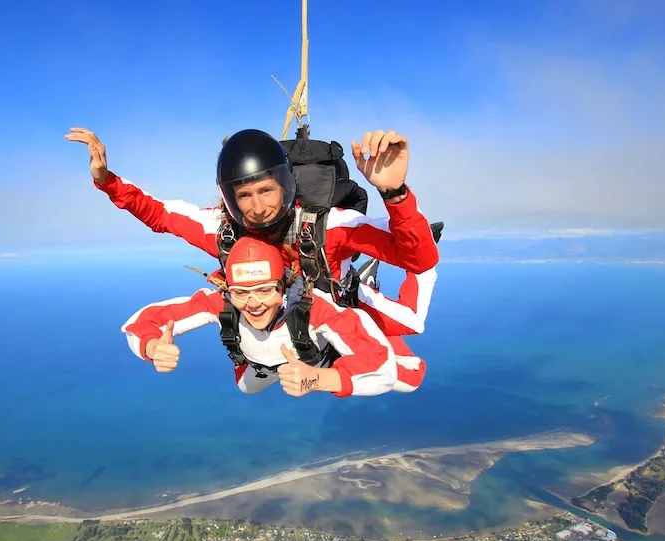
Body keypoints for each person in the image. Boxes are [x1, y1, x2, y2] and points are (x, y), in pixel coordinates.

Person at [65, 127, 443, 339]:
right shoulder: (221, 229)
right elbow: (159, 214)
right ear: (229, 197)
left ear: (286, 185)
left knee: (411, 323)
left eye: (266, 190)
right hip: (278, 309)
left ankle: (364, 281)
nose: (258, 207)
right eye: (244, 196)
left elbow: (417, 259)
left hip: (334, 297)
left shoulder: (329, 227)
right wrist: (106, 180)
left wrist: (394, 194)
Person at [122, 235, 426, 397]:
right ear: (228, 289)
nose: (253, 304)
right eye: (241, 293)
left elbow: (380, 364)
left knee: (410, 377)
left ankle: (398, 281)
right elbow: (140, 323)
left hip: (319, 360)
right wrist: (152, 348)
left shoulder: (314, 307)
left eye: (265, 290)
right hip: (264, 367)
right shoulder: (220, 303)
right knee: (245, 388)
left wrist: (319, 379)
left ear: (284, 286)